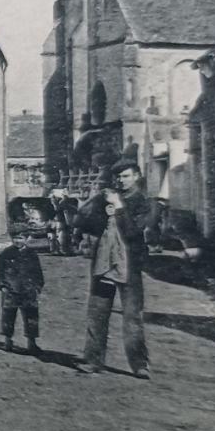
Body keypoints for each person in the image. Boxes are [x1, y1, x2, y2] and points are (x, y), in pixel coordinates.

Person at [74, 158, 158, 379]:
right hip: (104, 263)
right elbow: (81, 219)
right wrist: (100, 212)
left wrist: (119, 209)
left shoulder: (145, 202)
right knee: (97, 314)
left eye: (126, 176)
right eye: (118, 177)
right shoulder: (105, 197)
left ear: (137, 176)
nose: (121, 181)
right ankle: (93, 360)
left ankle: (139, 364)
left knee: (132, 317)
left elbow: (133, 231)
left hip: (131, 266)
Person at [0, 225, 46, 355]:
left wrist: (37, 287)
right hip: (10, 291)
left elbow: (38, 273)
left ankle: (32, 343)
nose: (18, 241)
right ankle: (8, 341)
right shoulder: (6, 253)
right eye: (15, 238)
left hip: (28, 291)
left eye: (21, 238)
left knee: (31, 316)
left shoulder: (32, 254)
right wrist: (3, 286)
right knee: (8, 316)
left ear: (27, 238)